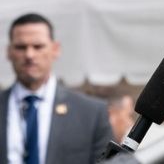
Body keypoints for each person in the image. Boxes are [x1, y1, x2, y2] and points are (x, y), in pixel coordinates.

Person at [3, 14, 111, 164]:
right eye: (21, 47)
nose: (29, 55)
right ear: (8, 52)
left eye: (38, 46)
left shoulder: (91, 113)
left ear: (55, 49)